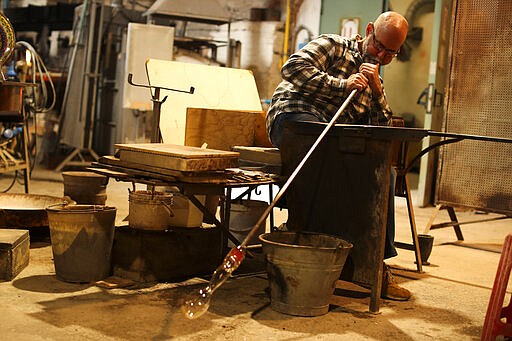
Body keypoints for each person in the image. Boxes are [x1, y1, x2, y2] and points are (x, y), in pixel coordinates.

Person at [265, 11, 411, 301]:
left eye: (389, 53)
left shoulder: (375, 81)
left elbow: (381, 127)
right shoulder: (333, 45)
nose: (380, 55)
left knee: (382, 173)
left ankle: (372, 266)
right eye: (377, 46)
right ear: (368, 31)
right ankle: (307, 243)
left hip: (332, 138)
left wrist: (377, 91)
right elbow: (292, 68)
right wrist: (342, 85)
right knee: (324, 154)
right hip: (295, 119)